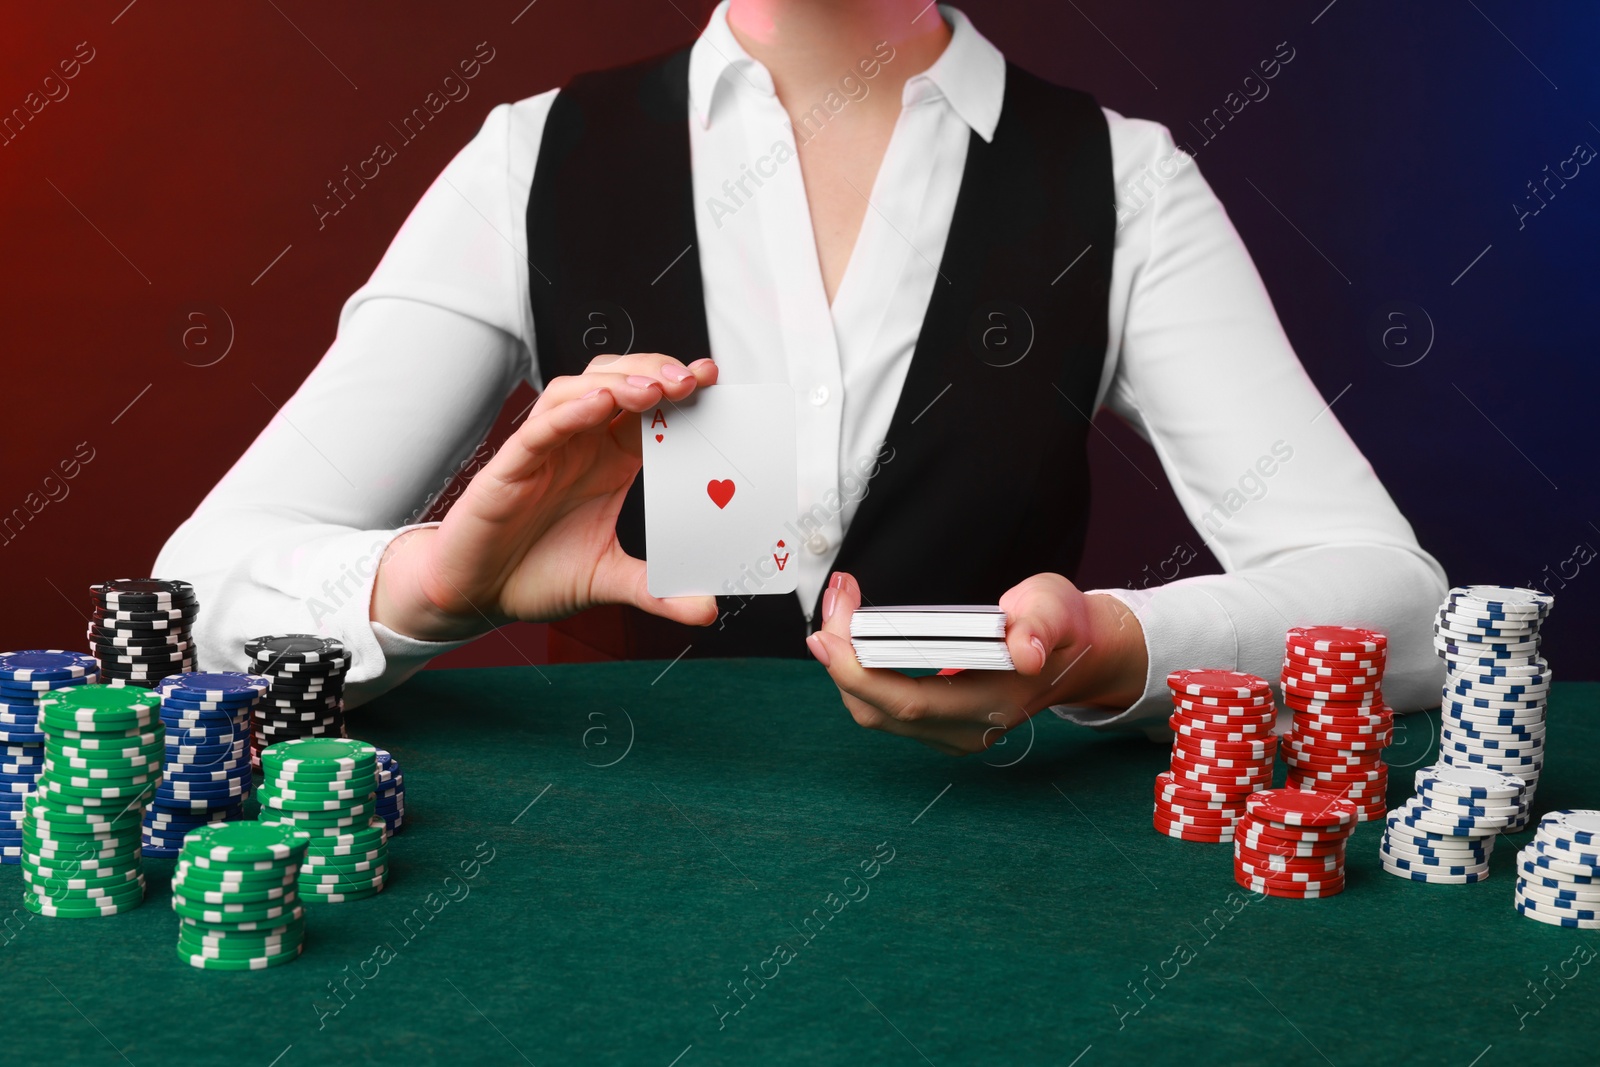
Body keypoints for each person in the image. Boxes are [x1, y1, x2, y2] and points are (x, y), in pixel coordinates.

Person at [156, 0, 1446, 752]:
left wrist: (1112, 650)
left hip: (1000, 922)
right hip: (598, 907)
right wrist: (432, 584)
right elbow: (190, 602)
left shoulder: (1126, 184)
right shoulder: (528, 162)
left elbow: (1398, 610)